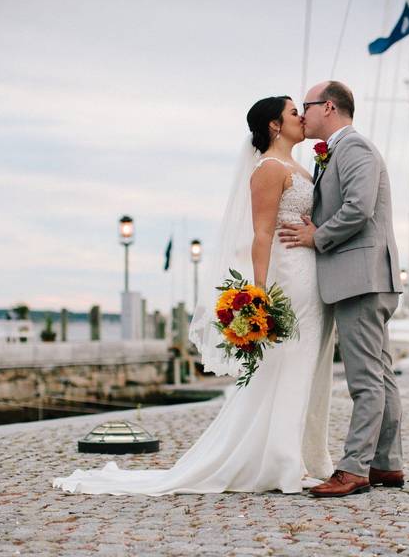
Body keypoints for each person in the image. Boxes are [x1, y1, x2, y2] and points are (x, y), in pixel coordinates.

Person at [52, 96, 335, 495]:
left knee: (300, 365)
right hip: (287, 276)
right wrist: (259, 292)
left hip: (309, 274)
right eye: (293, 113)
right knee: (284, 363)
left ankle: (293, 453)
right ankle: (281, 460)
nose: (301, 118)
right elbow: (262, 233)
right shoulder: (269, 169)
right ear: (274, 125)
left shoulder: (298, 166)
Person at [279, 80, 404, 497]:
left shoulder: (354, 149)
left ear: (328, 108)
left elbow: (358, 208)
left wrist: (318, 237)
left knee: (364, 379)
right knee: (381, 375)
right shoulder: (334, 153)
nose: (303, 113)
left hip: (361, 279)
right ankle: (386, 464)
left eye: (307, 106)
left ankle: (353, 469)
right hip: (360, 278)